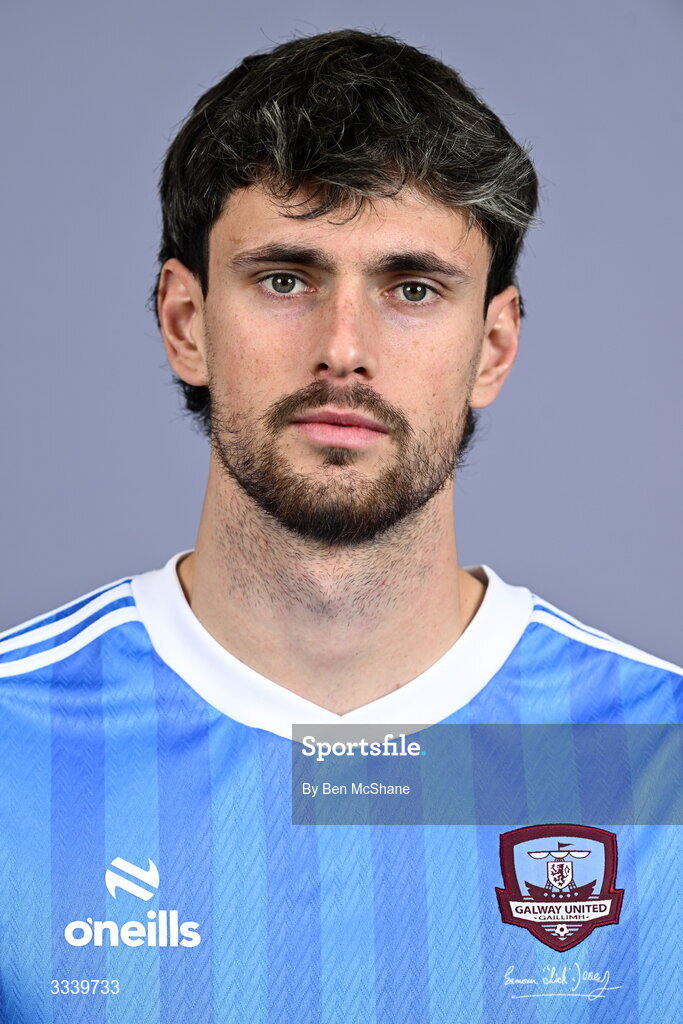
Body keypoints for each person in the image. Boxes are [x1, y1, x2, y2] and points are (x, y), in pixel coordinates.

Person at [0, 28, 680, 1024]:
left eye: (411, 288)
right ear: (185, 322)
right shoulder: (13, 743)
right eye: (284, 278)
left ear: (492, 345)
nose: (343, 350)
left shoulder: (654, 758)